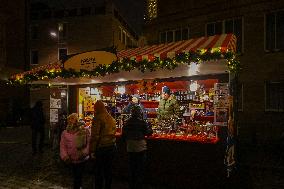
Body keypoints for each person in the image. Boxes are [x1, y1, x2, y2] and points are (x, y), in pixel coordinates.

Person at [122, 105, 153, 189]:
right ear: (139, 113)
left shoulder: (127, 122)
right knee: (140, 168)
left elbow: (123, 135)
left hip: (130, 147)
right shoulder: (142, 122)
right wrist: (150, 127)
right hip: (140, 147)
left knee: (132, 168)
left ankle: (131, 185)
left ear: (131, 113)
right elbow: (148, 133)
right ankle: (139, 185)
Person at [90, 100, 117, 189]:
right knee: (108, 171)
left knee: (99, 171)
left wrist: (93, 150)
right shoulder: (111, 118)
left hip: (101, 147)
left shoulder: (98, 118)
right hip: (112, 146)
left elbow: (95, 136)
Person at [60, 113, 90, 189]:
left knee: (79, 177)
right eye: (69, 119)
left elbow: (89, 142)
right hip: (71, 159)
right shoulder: (65, 133)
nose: (70, 121)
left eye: (72, 119)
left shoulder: (84, 130)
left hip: (82, 158)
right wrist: (65, 156)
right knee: (76, 177)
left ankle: (79, 186)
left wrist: (85, 152)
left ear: (76, 121)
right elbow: (62, 146)